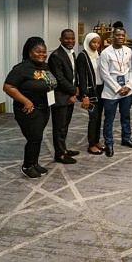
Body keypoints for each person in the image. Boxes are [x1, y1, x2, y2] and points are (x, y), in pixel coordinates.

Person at [3, 37, 57, 178]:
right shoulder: (21, 69)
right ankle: (27, 166)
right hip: (28, 109)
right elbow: (8, 87)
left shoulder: (45, 66)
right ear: (29, 52)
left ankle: (34, 163)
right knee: (34, 138)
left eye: (44, 52)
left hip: (44, 107)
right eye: (38, 51)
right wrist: (26, 101)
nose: (42, 54)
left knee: (38, 138)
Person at [99, 27, 132, 157]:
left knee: (126, 116)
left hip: (127, 91)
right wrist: (117, 88)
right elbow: (104, 74)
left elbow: (131, 70)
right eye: (118, 35)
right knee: (109, 119)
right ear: (112, 37)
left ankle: (126, 138)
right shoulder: (105, 53)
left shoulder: (128, 51)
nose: (120, 37)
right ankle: (109, 143)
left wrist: (128, 86)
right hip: (111, 92)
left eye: (123, 35)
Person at [49, 29, 79, 164]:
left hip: (68, 96)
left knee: (65, 125)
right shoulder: (56, 56)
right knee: (59, 126)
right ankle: (59, 154)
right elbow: (59, 80)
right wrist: (73, 91)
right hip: (60, 97)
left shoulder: (72, 53)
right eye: (67, 39)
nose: (70, 41)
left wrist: (74, 91)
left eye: (72, 38)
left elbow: (73, 75)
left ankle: (63, 149)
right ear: (60, 39)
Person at [76, 33, 106, 155]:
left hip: (101, 89)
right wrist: (85, 95)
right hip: (90, 92)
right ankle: (91, 144)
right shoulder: (82, 56)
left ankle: (97, 140)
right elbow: (81, 77)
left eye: (98, 43)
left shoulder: (99, 54)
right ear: (88, 42)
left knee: (99, 116)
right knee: (93, 117)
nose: (96, 45)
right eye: (93, 42)